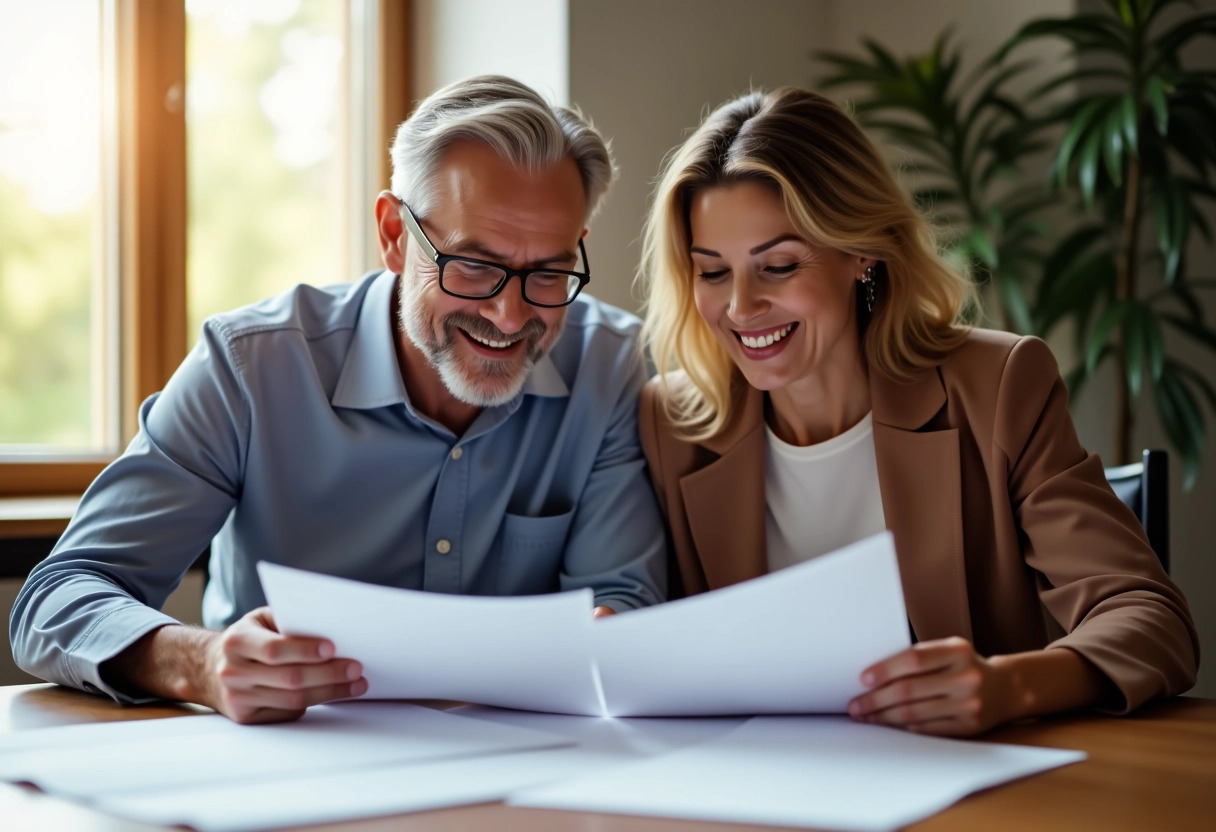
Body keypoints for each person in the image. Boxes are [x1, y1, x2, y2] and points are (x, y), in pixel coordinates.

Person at [10, 75, 666, 724]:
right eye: (473, 265)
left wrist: (612, 641)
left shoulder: (610, 368)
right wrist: (201, 663)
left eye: (548, 272)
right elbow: (56, 599)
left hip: (525, 774)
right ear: (393, 235)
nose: (509, 312)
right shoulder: (252, 367)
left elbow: (618, 611)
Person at [636, 87, 1198, 737]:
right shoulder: (668, 422)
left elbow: (1151, 617)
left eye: (779, 265)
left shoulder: (999, 386)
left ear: (862, 252)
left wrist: (1010, 684)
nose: (740, 306)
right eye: (712, 273)